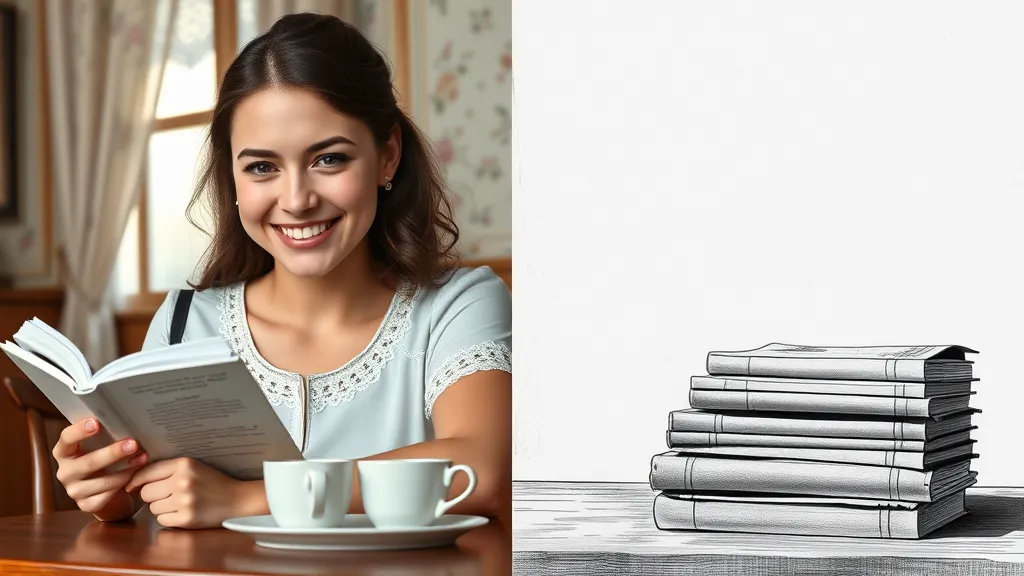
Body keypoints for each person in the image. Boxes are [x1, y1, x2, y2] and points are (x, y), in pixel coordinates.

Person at [50, 12, 512, 529]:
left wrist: (250, 497)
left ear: (387, 157)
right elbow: (150, 498)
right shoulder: (184, 322)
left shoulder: (459, 305)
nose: (296, 200)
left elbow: (485, 471)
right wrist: (109, 492)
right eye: (262, 167)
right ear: (233, 175)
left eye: (329, 159)